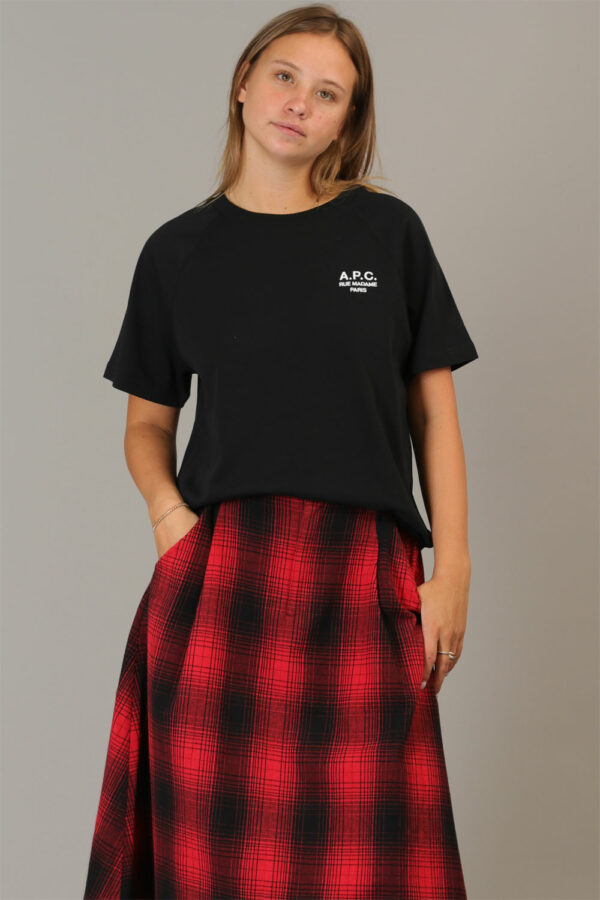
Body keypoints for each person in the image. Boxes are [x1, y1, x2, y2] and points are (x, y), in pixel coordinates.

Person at [84, 4, 478, 898]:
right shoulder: (177, 252)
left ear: (348, 120)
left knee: (370, 867)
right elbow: (147, 426)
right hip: (222, 582)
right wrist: (172, 521)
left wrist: (451, 567)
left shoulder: (387, 235)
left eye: (328, 93)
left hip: (365, 576)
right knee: (215, 868)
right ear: (244, 82)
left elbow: (434, 414)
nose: (300, 102)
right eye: (286, 76)